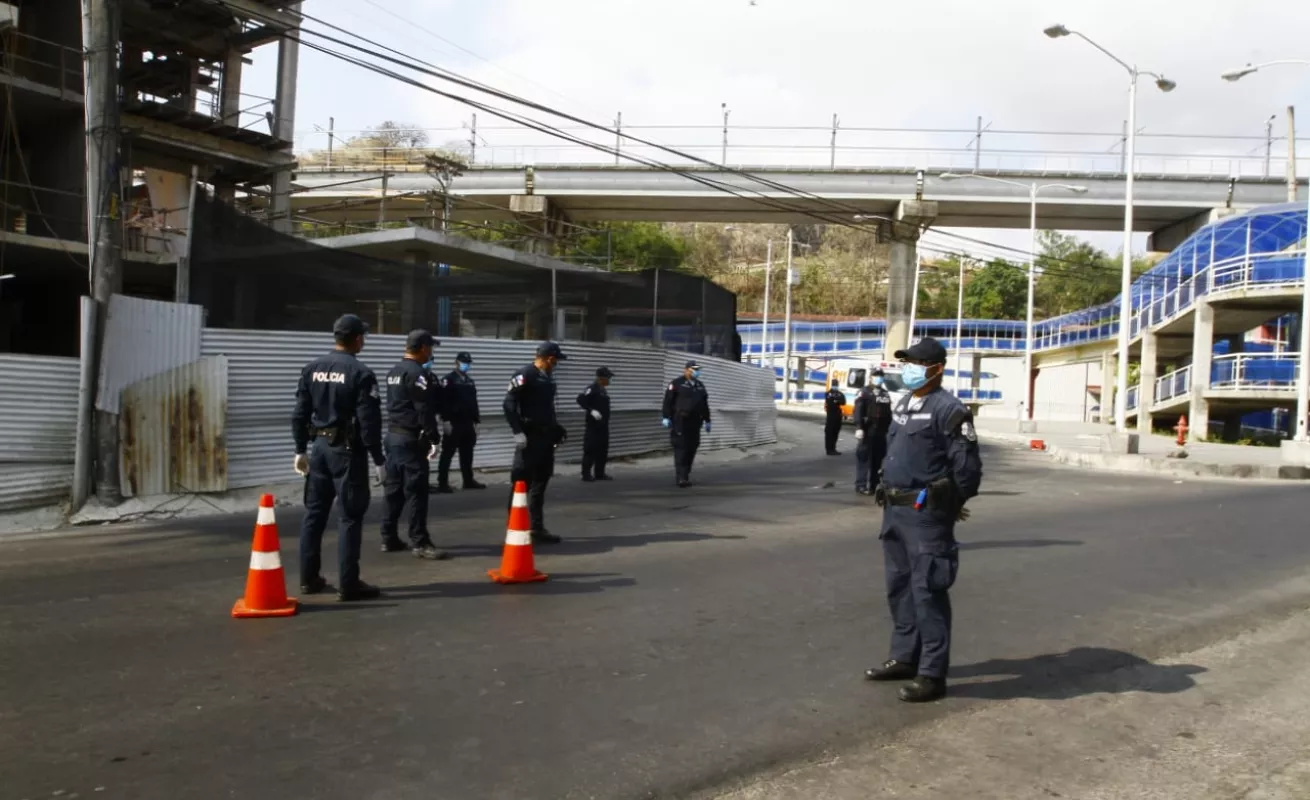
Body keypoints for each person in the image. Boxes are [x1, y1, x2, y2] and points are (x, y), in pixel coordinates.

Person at [866, 337, 982, 702]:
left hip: (925, 515)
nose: (909, 369)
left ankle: (932, 673)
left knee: (928, 590)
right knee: (899, 587)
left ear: (937, 369)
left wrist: (948, 504)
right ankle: (905, 657)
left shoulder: (950, 410)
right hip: (894, 510)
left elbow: (967, 471)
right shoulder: (905, 402)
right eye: (906, 363)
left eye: (916, 364)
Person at [291, 314, 386, 602]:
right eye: (363, 337)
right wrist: (378, 459)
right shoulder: (361, 373)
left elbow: (299, 414)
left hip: (319, 449)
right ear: (357, 339)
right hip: (347, 452)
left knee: (314, 514)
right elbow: (369, 422)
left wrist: (300, 449)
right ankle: (348, 583)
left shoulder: (312, 369)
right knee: (350, 516)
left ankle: (309, 579)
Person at [378, 329, 449, 561]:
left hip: (393, 436)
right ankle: (420, 541)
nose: (431, 352)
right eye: (430, 348)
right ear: (423, 348)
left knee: (394, 490)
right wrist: (434, 438)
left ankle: (388, 537)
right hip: (410, 439)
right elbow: (423, 410)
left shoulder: (394, 371)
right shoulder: (418, 374)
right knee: (417, 491)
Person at [503, 342, 569, 543]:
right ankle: (515, 527)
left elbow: (547, 408)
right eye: (556, 360)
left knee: (540, 483)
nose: (556, 364)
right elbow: (509, 404)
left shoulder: (548, 377)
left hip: (545, 439)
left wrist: (556, 429)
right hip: (529, 438)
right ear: (549, 358)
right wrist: (517, 431)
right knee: (521, 483)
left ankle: (536, 528)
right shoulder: (525, 374)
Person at [435, 351, 486, 492]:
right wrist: (445, 420)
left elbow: (474, 402)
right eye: (464, 363)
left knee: (467, 453)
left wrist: (476, 421)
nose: (466, 365)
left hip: (467, 422)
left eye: (468, 363)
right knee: (447, 453)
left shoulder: (469, 381)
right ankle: (442, 483)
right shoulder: (448, 380)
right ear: (456, 363)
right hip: (453, 422)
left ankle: (468, 480)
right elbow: (443, 401)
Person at [662, 360, 711, 488]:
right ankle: (681, 477)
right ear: (686, 370)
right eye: (694, 370)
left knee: (692, 448)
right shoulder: (677, 383)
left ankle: (686, 474)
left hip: (695, 422)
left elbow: (704, 404)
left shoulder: (700, 386)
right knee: (681, 448)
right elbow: (668, 401)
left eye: (698, 370)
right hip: (680, 421)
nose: (696, 372)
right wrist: (666, 417)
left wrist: (707, 420)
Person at [852, 368, 893, 494]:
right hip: (868, 429)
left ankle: (874, 485)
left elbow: (888, 413)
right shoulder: (864, 392)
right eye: (876, 375)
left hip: (881, 430)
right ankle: (861, 485)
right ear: (870, 377)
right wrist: (859, 427)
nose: (878, 378)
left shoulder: (885, 394)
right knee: (864, 457)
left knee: (878, 459)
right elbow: (858, 410)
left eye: (880, 375)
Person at [577, 366, 615, 482]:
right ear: (601, 378)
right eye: (608, 378)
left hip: (603, 426)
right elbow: (580, 399)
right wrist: (591, 410)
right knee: (590, 449)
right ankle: (586, 474)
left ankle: (600, 473)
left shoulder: (603, 390)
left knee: (602, 450)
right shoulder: (592, 388)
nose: (609, 380)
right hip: (593, 426)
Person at [823, 383, 847, 455]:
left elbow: (843, 402)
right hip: (830, 417)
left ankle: (833, 449)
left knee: (835, 433)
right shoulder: (828, 393)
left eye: (836, 385)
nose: (835, 387)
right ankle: (829, 449)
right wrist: (836, 401)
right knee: (829, 433)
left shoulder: (840, 393)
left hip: (838, 416)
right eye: (834, 385)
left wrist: (836, 401)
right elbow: (830, 402)